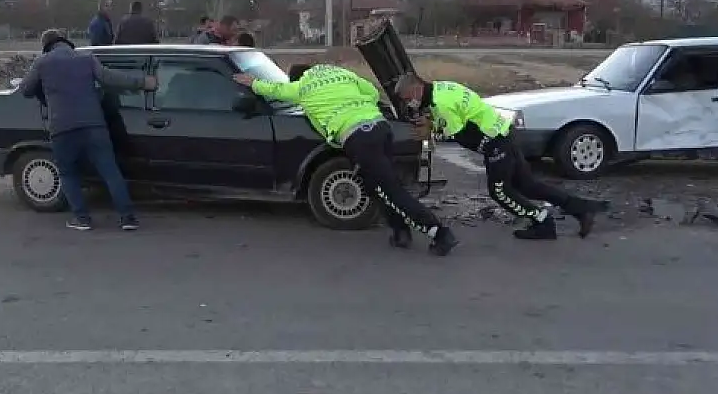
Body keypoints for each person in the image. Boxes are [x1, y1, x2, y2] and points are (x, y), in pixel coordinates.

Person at [232, 63, 458, 255]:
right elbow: (370, 92)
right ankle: (400, 232)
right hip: (380, 128)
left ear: (298, 78)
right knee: (379, 187)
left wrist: (252, 83)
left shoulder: (303, 87)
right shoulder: (343, 74)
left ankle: (440, 233)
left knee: (391, 191)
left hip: (358, 138)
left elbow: (276, 90)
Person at [394, 73, 610, 240]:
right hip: (504, 134)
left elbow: (457, 133)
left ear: (416, 89)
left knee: (499, 191)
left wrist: (430, 131)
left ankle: (542, 220)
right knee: (528, 186)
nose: (409, 104)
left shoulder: (441, 103)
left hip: (495, 143)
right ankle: (580, 209)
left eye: (407, 99)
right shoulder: (440, 89)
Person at [16, 29, 158, 231]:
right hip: (94, 125)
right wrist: (143, 82)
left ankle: (82, 219)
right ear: (66, 42)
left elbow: (25, 90)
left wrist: (45, 91)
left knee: (68, 173)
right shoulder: (86, 59)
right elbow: (109, 78)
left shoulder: (42, 63)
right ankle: (127, 218)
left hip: (62, 128)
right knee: (110, 170)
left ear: (46, 46)